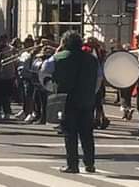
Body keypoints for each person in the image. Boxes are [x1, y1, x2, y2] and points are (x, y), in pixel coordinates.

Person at [51, 31, 99, 174]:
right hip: (87, 100)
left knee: (70, 133)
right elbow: (99, 78)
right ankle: (90, 163)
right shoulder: (92, 59)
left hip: (68, 100)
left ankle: (72, 164)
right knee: (87, 133)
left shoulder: (58, 58)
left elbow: (43, 70)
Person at [0, 34, 17, 119]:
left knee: (6, 95)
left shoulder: (11, 49)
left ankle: (7, 112)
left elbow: (15, 61)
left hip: (8, 75)